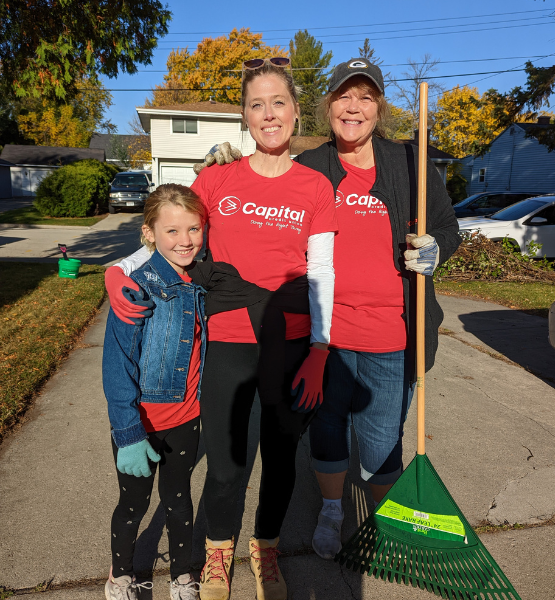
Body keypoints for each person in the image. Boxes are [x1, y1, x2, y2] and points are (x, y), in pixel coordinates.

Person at [191, 58, 460, 561]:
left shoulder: (410, 164)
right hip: (329, 332)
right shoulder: (314, 166)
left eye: (365, 97)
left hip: (389, 330)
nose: (353, 107)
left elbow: (448, 228)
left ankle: (385, 524)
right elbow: (214, 214)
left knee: (382, 439)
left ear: (379, 107)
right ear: (326, 106)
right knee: (328, 430)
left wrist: (435, 250)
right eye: (343, 96)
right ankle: (333, 511)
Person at [104, 58, 338, 600]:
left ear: (296, 110)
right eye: (256, 104)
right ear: (245, 117)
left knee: (280, 462)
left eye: (278, 102)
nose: (269, 114)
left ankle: (267, 550)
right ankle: (217, 553)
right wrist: (121, 270)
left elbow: (322, 270)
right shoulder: (216, 180)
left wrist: (322, 349)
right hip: (228, 342)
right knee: (230, 462)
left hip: (292, 344)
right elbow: (172, 234)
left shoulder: (315, 187)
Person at [102, 184, 207, 600]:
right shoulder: (136, 287)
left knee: (179, 501)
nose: (185, 240)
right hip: (141, 425)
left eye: (194, 229)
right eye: (172, 231)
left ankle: (183, 576)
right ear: (149, 234)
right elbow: (117, 366)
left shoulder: (200, 276)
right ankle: (121, 574)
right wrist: (127, 433)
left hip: (186, 419)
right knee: (133, 506)